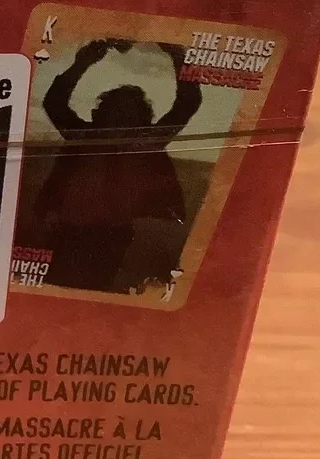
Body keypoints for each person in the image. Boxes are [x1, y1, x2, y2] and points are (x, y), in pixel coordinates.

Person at [34, 38, 202, 292]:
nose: (120, 118)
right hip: (68, 231)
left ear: (140, 120)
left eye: (128, 113)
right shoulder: (86, 137)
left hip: (111, 237)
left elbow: (187, 103)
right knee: (57, 288)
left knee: (93, 289)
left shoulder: (144, 142)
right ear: (101, 114)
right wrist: (81, 64)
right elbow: (54, 103)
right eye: (116, 110)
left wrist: (177, 57)